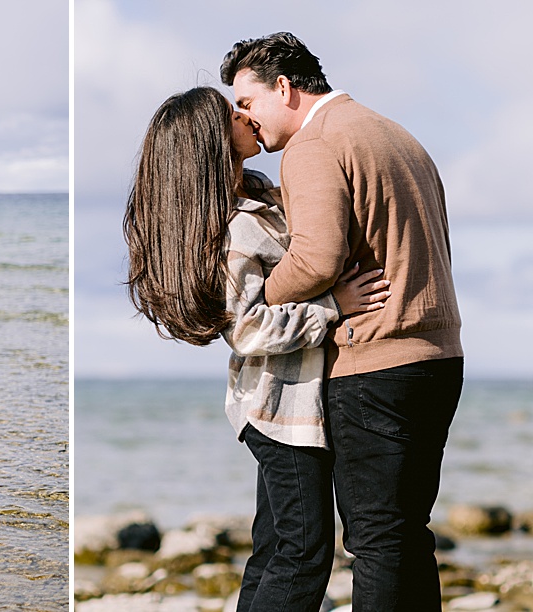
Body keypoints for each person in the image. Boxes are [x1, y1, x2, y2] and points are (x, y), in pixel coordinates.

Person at [223, 32, 464, 610]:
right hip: (439, 357)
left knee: (378, 540)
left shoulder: (314, 145)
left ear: (284, 87)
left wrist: (254, 302)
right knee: (407, 536)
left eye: (248, 102)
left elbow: (315, 258)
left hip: (372, 361)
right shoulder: (397, 135)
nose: (247, 119)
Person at [124, 87, 388, 611]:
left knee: (275, 550)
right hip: (278, 410)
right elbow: (247, 330)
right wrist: (333, 306)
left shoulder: (262, 196)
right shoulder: (235, 229)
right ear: (212, 141)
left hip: (288, 408)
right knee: (304, 553)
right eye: (232, 113)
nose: (246, 115)